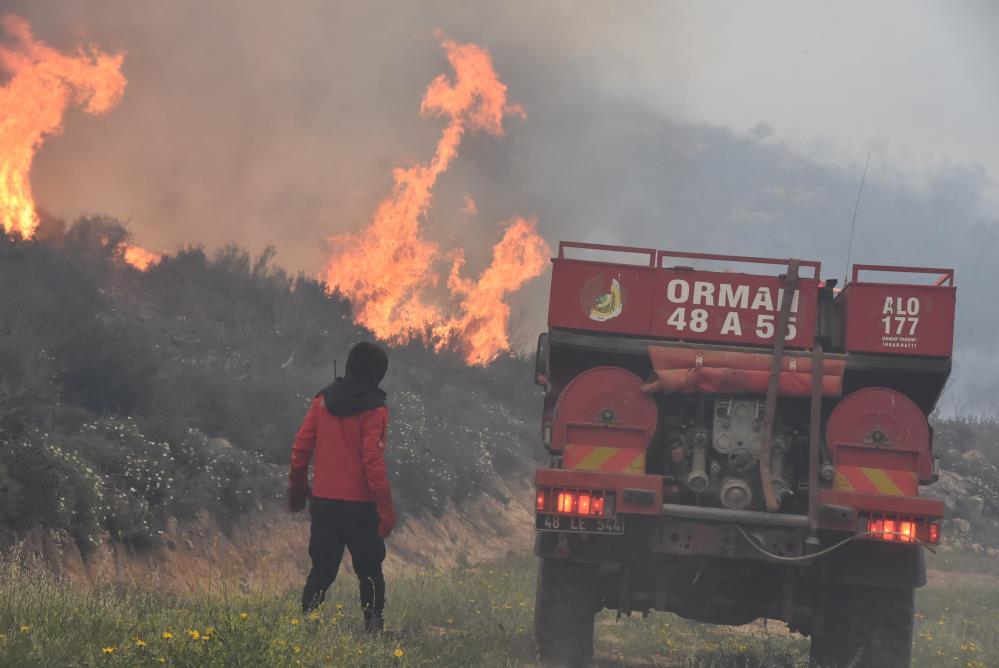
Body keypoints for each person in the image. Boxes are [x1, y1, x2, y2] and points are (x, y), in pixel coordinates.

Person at [287, 341, 396, 632]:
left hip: (324, 503)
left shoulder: (321, 401)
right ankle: (373, 630)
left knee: (322, 570)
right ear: (377, 373)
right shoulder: (376, 410)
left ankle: (306, 627)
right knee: (370, 571)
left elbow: (301, 447)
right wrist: (385, 510)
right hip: (361, 508)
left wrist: (298, 488)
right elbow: (373, 461)